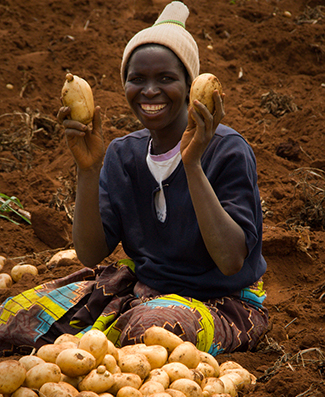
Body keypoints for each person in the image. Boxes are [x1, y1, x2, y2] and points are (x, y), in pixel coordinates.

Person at [0, 1, 269, 357]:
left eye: (166, 79)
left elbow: (231, 260)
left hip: (219, 302)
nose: (149, 91)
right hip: (139, 291)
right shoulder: (123, 155)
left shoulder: (227, 150)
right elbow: (91, 252)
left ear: (190, 85)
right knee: (16, 319)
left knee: (150, 332)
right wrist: (88, 169)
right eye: (137, 79)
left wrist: (192, 166)